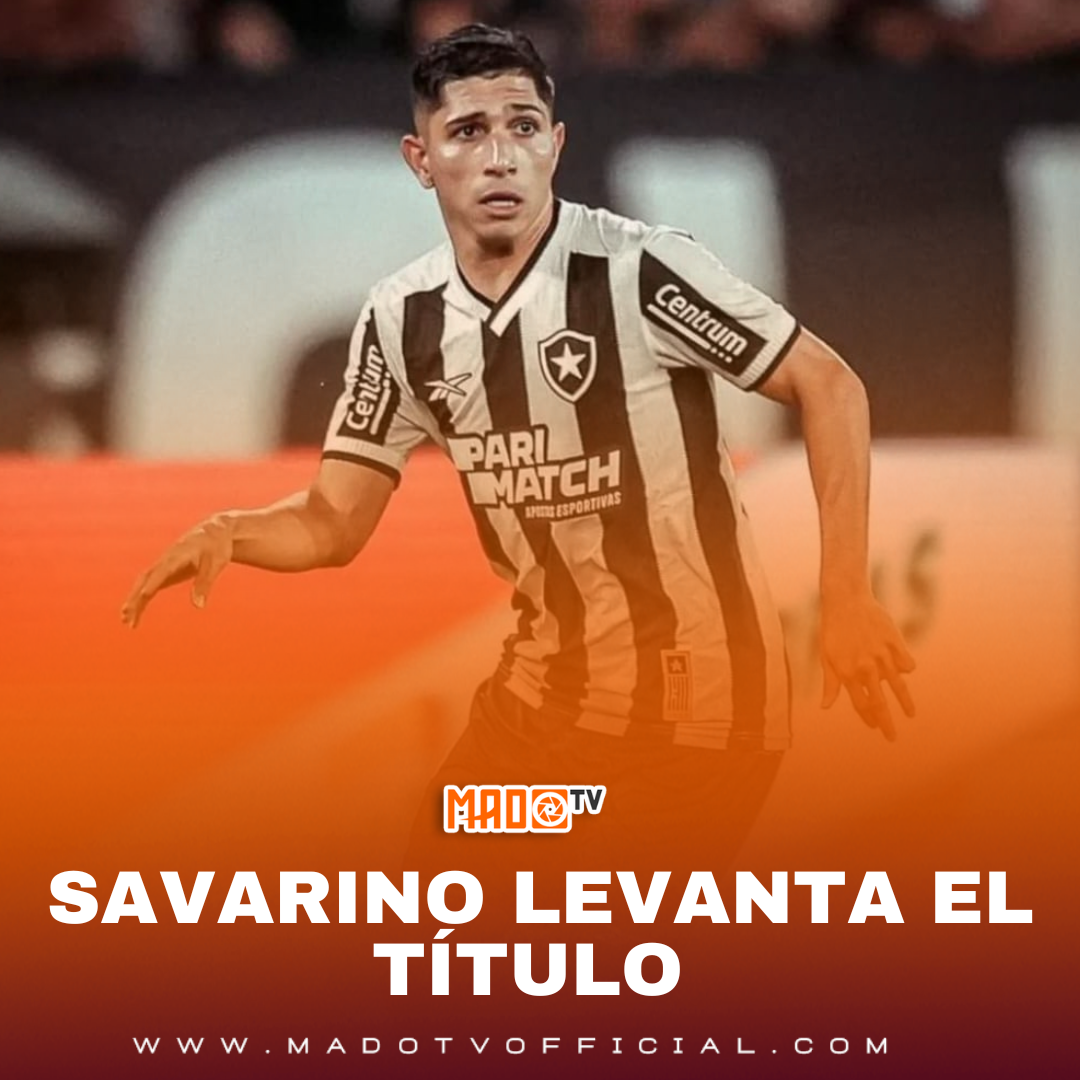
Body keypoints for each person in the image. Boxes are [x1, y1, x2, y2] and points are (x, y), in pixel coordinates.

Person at [121, 23, 914, 876]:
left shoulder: (640, 271)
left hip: (694, 711)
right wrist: (234, 532)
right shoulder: (404, 320)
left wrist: (846, 596)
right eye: (467, 131)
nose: (500, 156)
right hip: (538, 709)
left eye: (523, 127)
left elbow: (829, 386)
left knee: (588, 932)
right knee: (442, 910)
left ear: (555, 145)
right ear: (421, 160)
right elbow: (332, 523)